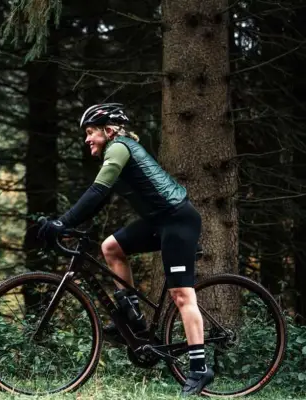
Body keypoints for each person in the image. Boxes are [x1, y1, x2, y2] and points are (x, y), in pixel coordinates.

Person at [37, 103, 214, 396]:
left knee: (182, 295)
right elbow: (99, 200)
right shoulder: (115, 152)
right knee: (111, 247)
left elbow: (97, 192)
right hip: (159, 222)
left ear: (109, 130)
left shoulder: (120, 147)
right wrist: (65, 224)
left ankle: (199, 369)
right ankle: (133, 318)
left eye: (91, 132)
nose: (87, 139)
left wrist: (62, 222)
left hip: (178, 221)